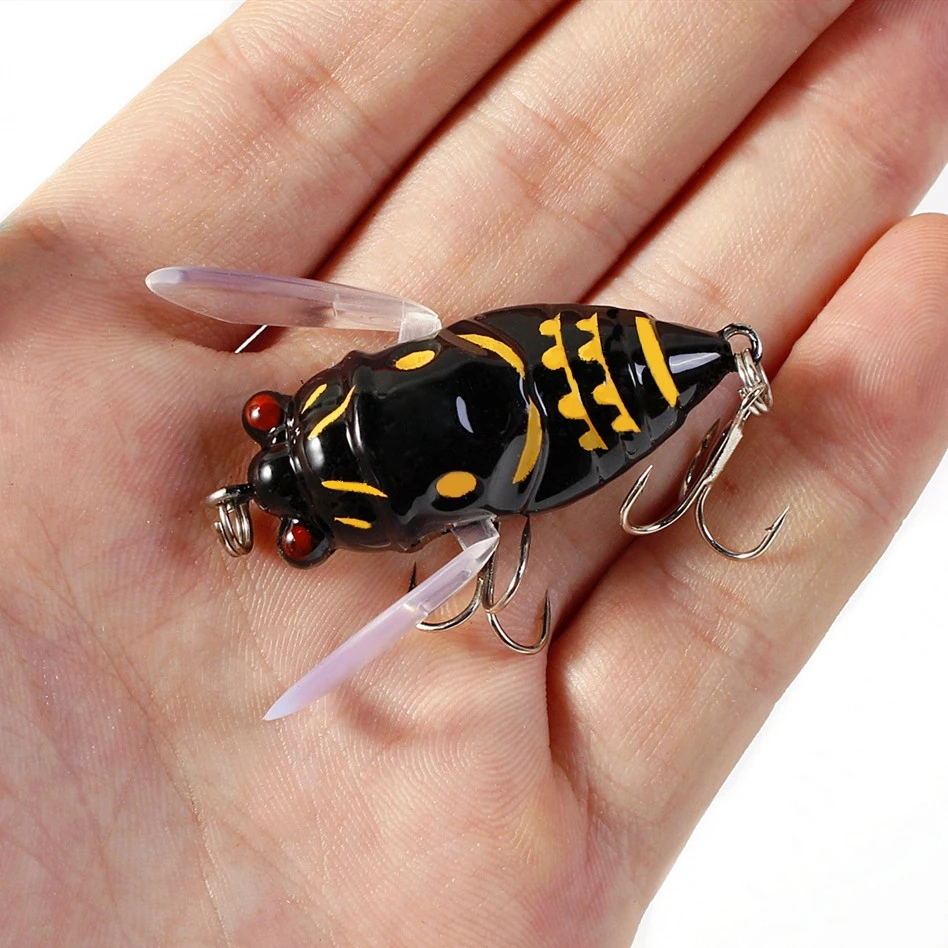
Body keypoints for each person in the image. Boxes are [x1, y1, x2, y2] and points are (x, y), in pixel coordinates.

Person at [1, 1, 945, 944]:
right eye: (302, 536)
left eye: (269, 432)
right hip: (545, 405)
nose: (277, 466)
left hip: (557, 417)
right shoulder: (376, 390)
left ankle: (712, 365)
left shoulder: (432, 495)